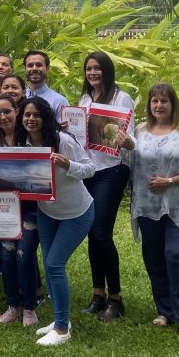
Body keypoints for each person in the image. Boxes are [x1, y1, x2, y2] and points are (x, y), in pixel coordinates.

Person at [131, 83, 179, 339]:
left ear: (173, 104)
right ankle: (165, 311)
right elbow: (124, 160)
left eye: (164, 101)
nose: (159, 106)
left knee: (176, 256)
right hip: (147, 206)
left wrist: (170, 181)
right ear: (149, 105)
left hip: (178, 206)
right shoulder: (139, 131)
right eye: (154, 101)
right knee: (154, 259)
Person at [16, 96, 95, 346]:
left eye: (36, 115)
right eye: (27, 115)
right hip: (47, 211)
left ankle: (62, 330)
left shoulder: (63, 141)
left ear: (46, 118)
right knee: (49, 267)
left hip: (77, 212)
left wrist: (68, 164)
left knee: (54, 265)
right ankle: (62, 318)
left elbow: (90, 168)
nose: (31, 119)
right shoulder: (24, 143)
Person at [77, 52, 136, 321]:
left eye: (97, 68)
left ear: (107, 71)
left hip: (111, 170)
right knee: (92, 233)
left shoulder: (121, 98)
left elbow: (131, 140)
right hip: (88, 170)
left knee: (101, 233)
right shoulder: (85, 99)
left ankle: (115, 299)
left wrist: (126, 141)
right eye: (88, 69)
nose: (92, 73)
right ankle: (97, 294)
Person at [0, 95, 40, 326]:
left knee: (24, 256)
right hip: (4, 209)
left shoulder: (30, 137)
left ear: (16, 111)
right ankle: (12, 306)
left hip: (31, 208)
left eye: (7, 111)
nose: (3, 117)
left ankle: (29, 307)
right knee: (7, 257)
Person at [23, 51, 68, 120]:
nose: (34, 68)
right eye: (30, 65)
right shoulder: (19, 97)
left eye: (39, 65)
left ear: (47, 69)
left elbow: (65, 130)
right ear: (25, 69)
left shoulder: (59, 101)